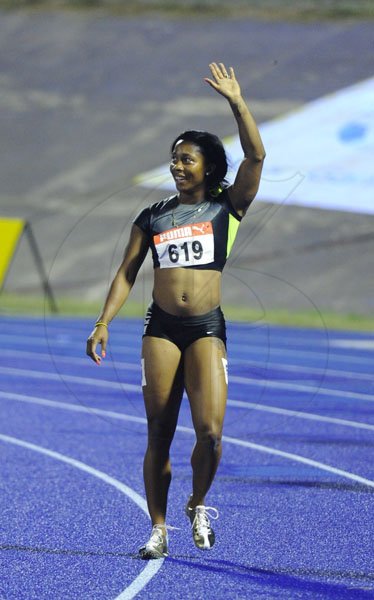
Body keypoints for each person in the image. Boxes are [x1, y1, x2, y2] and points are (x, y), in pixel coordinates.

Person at [86, 62, 265, 559]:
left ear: (208, 166)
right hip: (160, 330)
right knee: (159, 434)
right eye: (174, 159)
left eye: (187, 159)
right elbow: (126, 273)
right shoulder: (153, 216)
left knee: (209, 433)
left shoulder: (228, 207)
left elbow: (256, 154)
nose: (178, 166)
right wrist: (103, 322)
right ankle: (158, 528)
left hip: (207, 328)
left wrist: (236, 101)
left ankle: (199, 503)